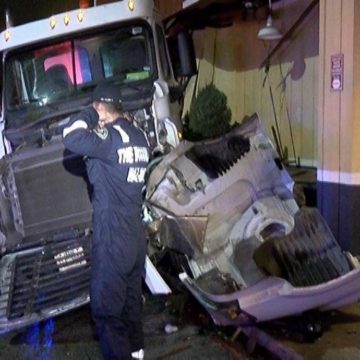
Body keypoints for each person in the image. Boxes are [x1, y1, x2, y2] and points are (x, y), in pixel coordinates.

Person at [63, 82, 150, 359]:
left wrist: (90, 114)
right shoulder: (140, 136)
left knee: (105, 312)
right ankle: (137, 353)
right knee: (130, 306)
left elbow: (70, 135)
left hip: (113, 238)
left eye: (96, 106)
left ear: (102, 108)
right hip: (136, 236)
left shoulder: (109, 137)